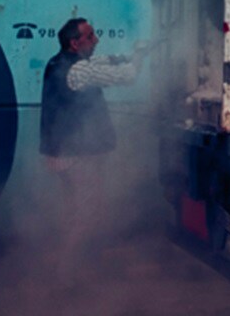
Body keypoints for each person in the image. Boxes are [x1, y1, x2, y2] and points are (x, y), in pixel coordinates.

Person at [39, 17, 144, 284]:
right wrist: (139, 58)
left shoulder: (59, 61)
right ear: (75, 43)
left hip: (64, 154)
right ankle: (66, 276)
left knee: (76, 213)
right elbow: (127, 76)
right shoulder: (78, 71)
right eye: (91, 36)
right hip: (78, 155)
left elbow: (103, 61)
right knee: (86, 216)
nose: (97, 40)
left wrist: (127, 54)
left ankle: (73, 267)